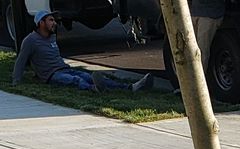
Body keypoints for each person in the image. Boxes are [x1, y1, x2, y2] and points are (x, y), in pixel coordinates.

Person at [12, 11, 152, 91]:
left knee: (88, 76)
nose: (54, 23)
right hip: (52, 75)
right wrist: (16, 81)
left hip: (64, 68)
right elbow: (21, 61)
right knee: (75, 80)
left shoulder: (52, 37)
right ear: (41, 23)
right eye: (50, 20)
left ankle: (131, 87)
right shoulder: (30, 40)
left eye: (54, 20)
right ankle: (94, 89)